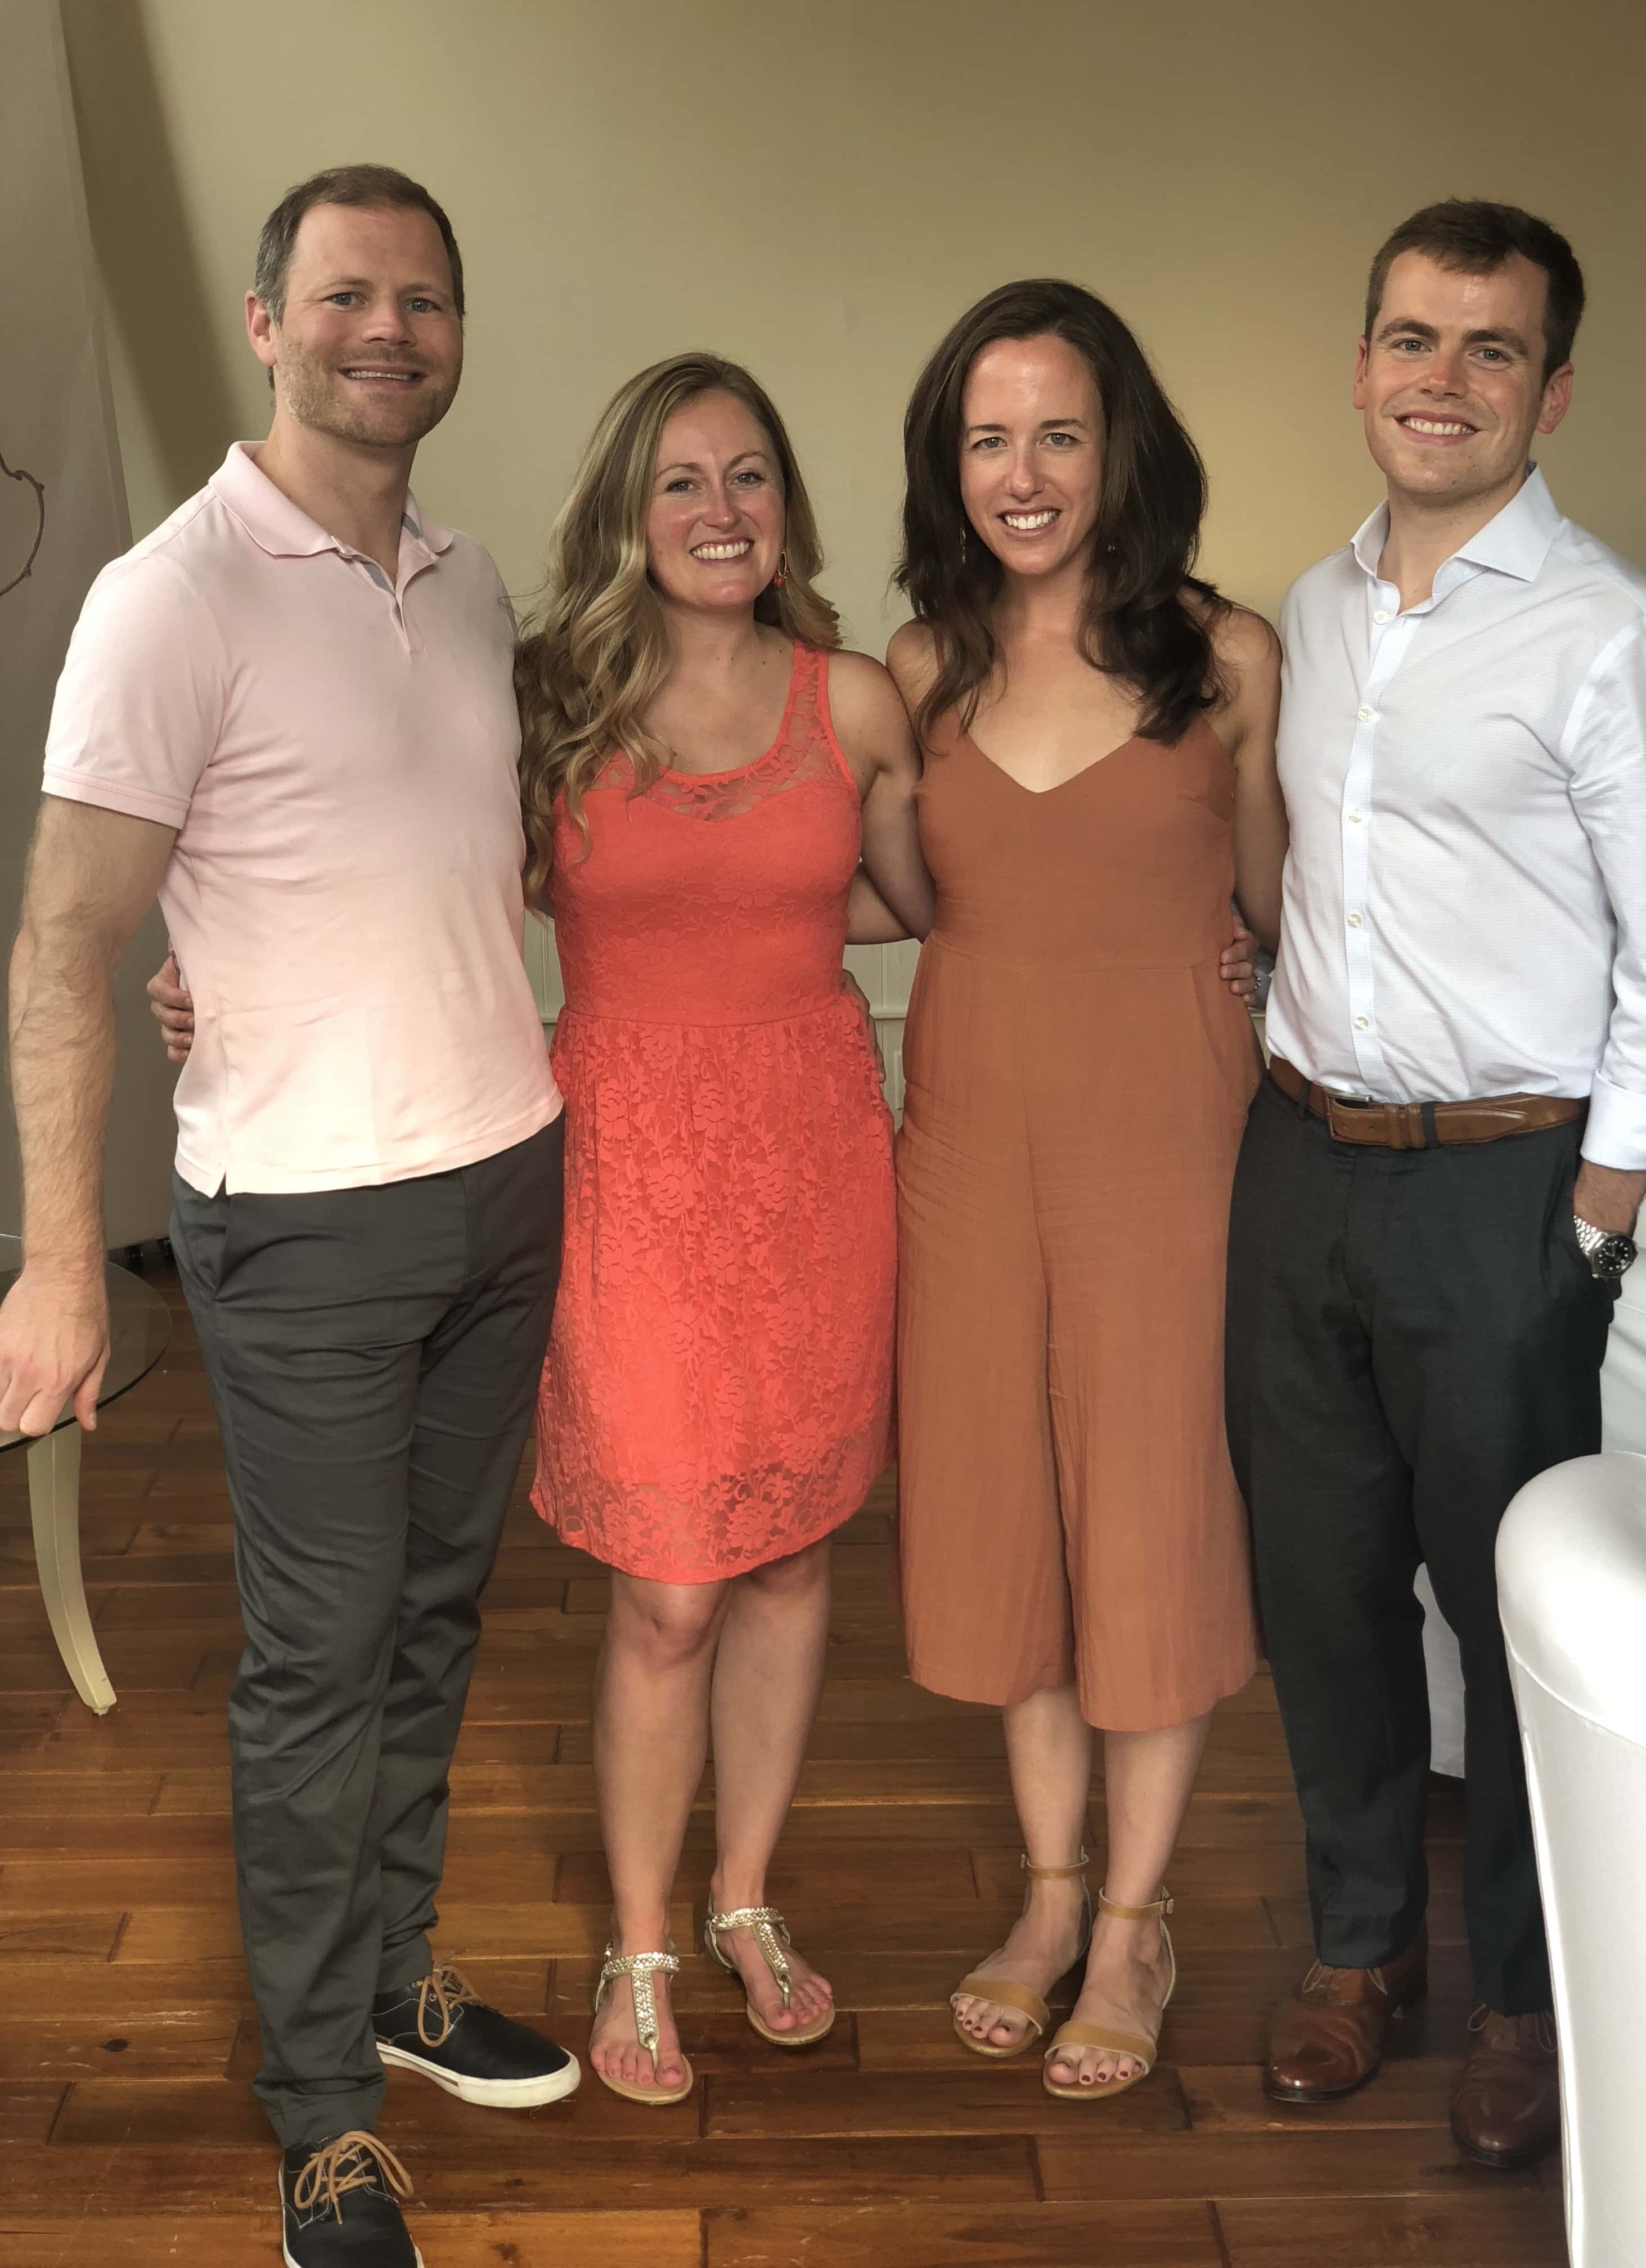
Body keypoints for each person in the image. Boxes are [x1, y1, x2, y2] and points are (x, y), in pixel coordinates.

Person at [5, 166, 582, 2268]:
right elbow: (63, 942)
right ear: (270, 323)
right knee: (319, 1667)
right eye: (345, 296)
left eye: (423, 299)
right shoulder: (169, 596)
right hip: (306, 1229)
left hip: (503, 1178)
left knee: (435, 1621)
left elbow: (392, 865)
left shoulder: (469, 579)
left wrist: (228, 958)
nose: (387, 331)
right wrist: (59, 1264)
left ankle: (395, 1974)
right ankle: (323, 2114)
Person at [1227, 199, 1646, 2169]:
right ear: (1362, 368)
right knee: (1323, 1594)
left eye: (1490, 348)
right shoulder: (1314, 611)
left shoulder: (1619, 637)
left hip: (1508, 1195)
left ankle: (1523, 1991)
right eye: (1413, 339)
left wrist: (1593, 1220)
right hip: (1298, 1165)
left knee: (1510, 1608)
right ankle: (1361, 1952)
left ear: (1550, 390)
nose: (1443, 379)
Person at [512, 356, 933, 2103]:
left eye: (749, 475)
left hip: (814, 1163)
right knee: (671, 1589)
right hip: (628, 1169)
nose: (720, 510)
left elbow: (933, 899)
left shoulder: (853, 700)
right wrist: (216, 980)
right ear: (629, 508)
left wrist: (1200, 932)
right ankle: (640, 1942)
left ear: (787, 507)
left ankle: (743, 1897)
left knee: (790, 1559)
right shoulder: (547, 701)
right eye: (682, 480)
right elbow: (427, 896)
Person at [887, 279, 1287, 2098]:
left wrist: (1259, 966)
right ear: (948, 463)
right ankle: (1050, 1896)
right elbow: (832, 884)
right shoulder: (919, 668)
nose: (1025, 473)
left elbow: (1291, 910)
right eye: (989, 439)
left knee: (1151, 1513)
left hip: (1170, 1144)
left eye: (1060, 432)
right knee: (1009, 1514)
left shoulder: (1230, 659)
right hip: (971, 1140)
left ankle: (1135, 1920)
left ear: (1123, 447)